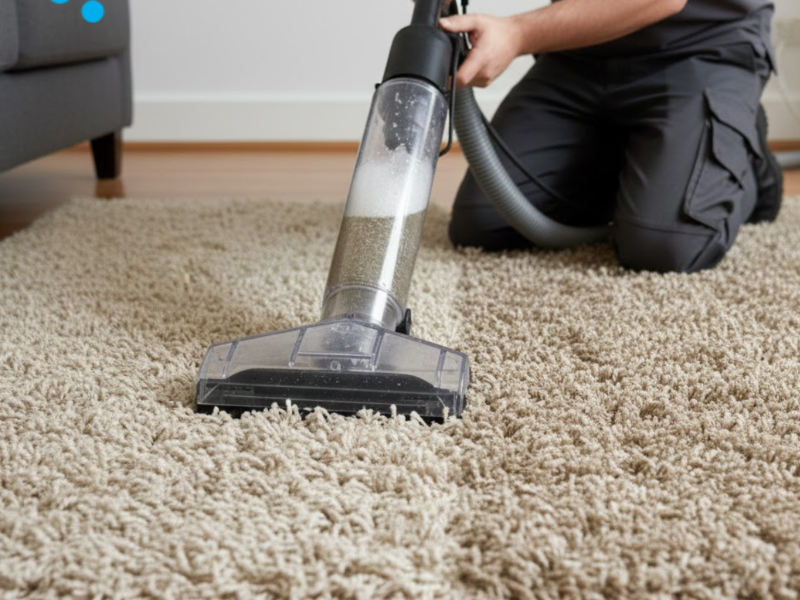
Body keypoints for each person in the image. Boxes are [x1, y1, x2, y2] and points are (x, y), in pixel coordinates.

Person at [440, 0, 783, 273]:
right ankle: (649, 156)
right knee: (485, 222)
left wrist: (515, 32)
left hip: (700, 47)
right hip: (582, 51)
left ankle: (746, 155)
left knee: (663, 244)